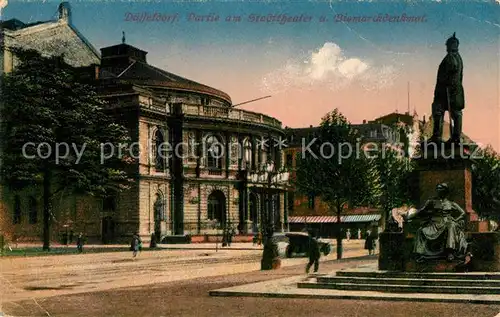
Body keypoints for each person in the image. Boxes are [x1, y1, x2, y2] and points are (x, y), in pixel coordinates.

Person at [405, 183, 468, 262]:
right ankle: (419, 253)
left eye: (441, 189)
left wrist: (456, 220)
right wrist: (411, 216)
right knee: (420, 231)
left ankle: (450, 252)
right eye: (438, 189)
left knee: (451, 226)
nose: (439, 191)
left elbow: (463, 213)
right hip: (434, 224)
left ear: (445, 192)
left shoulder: (451, 204)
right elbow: (422, 211)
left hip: (446, 222)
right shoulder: (432, 202)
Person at [429, 32, 464, 144]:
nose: (446, 47)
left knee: (438, 111)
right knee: (456, 114)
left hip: (447, 92)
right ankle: (456, 136)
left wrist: (446, 81)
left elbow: (451, 71)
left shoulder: (451, 57)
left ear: (452, 45)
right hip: (454, 91)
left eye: (448, 45)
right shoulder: (458, 57)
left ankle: (438, 137)